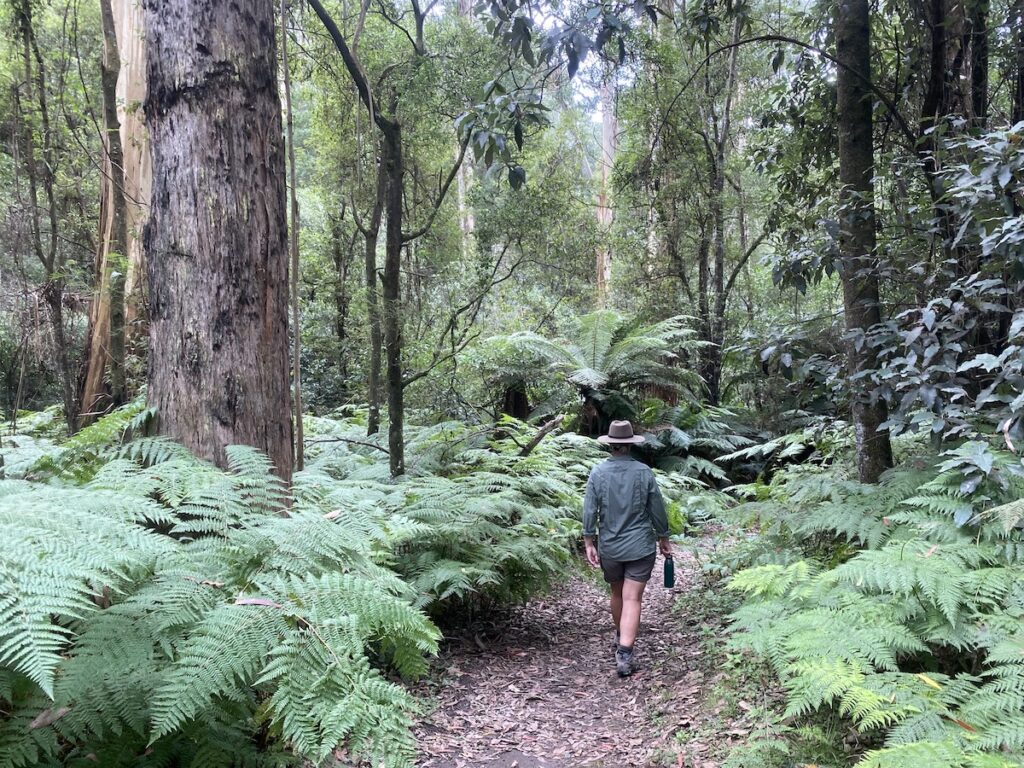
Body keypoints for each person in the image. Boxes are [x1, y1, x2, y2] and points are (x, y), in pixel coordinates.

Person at [582, 420, 671, 677]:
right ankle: (625, 653)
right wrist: (664, 537)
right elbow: (657, 508)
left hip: (610, 545)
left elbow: (590, 509)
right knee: (633, 598)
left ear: (610, 444)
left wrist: (589, 541)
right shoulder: (644, 472)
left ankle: (621, 635)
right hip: (641, 545)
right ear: (630, 445)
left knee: (617, 593)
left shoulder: (598, 473)